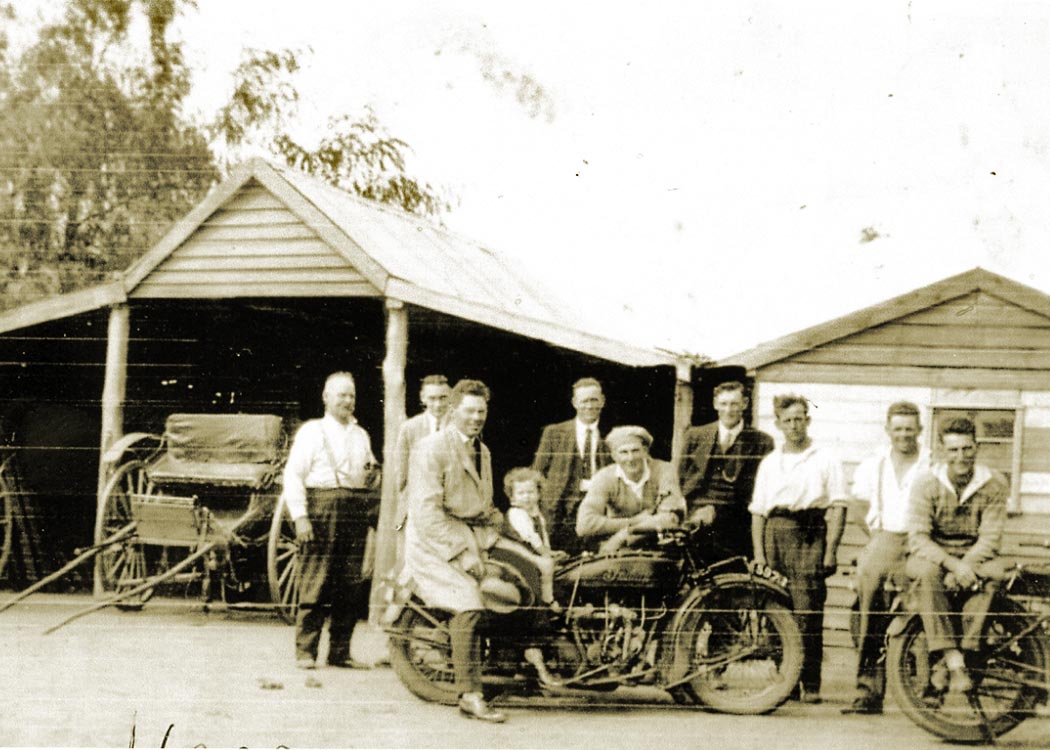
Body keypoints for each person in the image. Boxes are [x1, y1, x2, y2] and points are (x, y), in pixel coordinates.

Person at [402, 379, 507, 723]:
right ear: (452, 410)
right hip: (435, 542)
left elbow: (483, 504)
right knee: (469, 601)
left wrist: (511, 528)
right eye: (469, 411)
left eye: (481, 411)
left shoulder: (483, 451)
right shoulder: (431, 448)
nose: (476, 418)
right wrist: (460, 553)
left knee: (517, 578)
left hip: (470, 533)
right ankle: (470, 695)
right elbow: (426, 513)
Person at [749, 394, 848, 704]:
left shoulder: (825, 458)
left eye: (799, 419)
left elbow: (839, 506)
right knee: (777, 608)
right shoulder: (770, 462)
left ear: (808, 420)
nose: (794, 425)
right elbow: (758, 512)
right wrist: (760, 555)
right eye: (787, 420)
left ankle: (811, 682)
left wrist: (831, 550)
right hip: (775, 535)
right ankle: (786, 681)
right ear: (778, 424)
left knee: (808, 610)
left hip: (809, 535)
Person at [282, 371, 380, 670]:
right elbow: (293, 475)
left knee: (350, 584)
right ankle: (305, 652)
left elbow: (370, 469)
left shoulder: (361, 435)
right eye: (341, 395)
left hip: (354, 509)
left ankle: (340, 652)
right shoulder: (312, 432)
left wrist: (373, 473)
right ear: (326, 398)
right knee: (317, 580)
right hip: (322, 509)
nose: (347, 401)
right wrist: (301, 517)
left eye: (351, 395)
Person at [906, 417, 1010, 695]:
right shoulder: (926, 483)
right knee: (927, 574)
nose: (961, 456)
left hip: (975, 556)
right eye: (953, 450)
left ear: (977, 447)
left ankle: (963, 652)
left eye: (967, 448)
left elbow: (990, 537)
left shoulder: (994, 483)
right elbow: (918, 537)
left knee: (995, 575)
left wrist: (966, 567)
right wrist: (952, 565)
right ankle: (953, 659)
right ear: (942, 451)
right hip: (934, 555)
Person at [843, 401, 929, 715]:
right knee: (869, 606)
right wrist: (876, 537)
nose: (904, 435)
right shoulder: (874, 464)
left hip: (923, 540)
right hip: (887, 536)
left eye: (910, 429)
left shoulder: (932, 463)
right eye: (898, 429)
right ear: (888, 430)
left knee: (927, 604)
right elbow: (857, 505)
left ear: (920, 430)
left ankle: (927, 692)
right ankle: (868, 691)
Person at [678, 381, 774, 560]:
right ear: (715, 404)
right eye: (723, 404)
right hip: (697, 523)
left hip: (738, 526)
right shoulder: (695, 436)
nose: (728, 410)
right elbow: (682, 478)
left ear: (744, 404)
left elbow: (762, 491)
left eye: (734, 404)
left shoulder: (762, 442)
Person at [532, 377, 612, 554]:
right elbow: (537, 473)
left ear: (602, 401)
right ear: (575, 403)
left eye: (594, 400)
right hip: (559, 511)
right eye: (584, 401)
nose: (589, 406)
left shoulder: (611, 434)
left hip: (597, 507)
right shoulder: (554, 433)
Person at [576, 426, 686, 552]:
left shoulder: (664, 470)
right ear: (614, 456)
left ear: (645, 451)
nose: (630, 458)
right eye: (624, 452)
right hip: (621, 551)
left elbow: (670, 518)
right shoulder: (604, 477)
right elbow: (584, 524)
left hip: (655, 546)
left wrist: (623, 535)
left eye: (635, 451)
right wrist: (634, 521)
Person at [502, 467, 553, 555]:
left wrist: (549, 551)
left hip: (536, 553)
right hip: (518, 554)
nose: (526, 496)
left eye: (530, 492)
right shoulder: (516, 513)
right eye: (521, 493)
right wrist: (546, 554)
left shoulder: (536, 513)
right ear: (512, 497)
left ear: (538, 494)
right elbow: (532, 537)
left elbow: (544, 536)